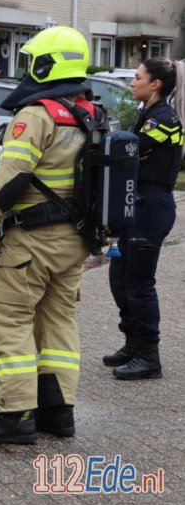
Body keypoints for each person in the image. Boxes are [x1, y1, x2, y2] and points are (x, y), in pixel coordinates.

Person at [0, 26, 94, 444]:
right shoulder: (89, 113)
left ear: (46, 64)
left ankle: (15, 415)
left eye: (32, 60)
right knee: (58, 322)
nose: (26, 67)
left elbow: (7, 183)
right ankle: (58, 413)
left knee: (7, 318)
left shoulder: (38, 115)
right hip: (74, 242)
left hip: (32, 242)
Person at [103, 58, 184, 380]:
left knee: (138, 283)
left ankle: (149, 355)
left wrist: (124, 149)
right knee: (120, 278)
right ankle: (133, 343)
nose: (131, 82)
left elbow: (128, 152)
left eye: (137, 78)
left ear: (156, 85)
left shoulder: (163, 118)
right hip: (135, 204)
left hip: (152, 206)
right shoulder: (146, 114)